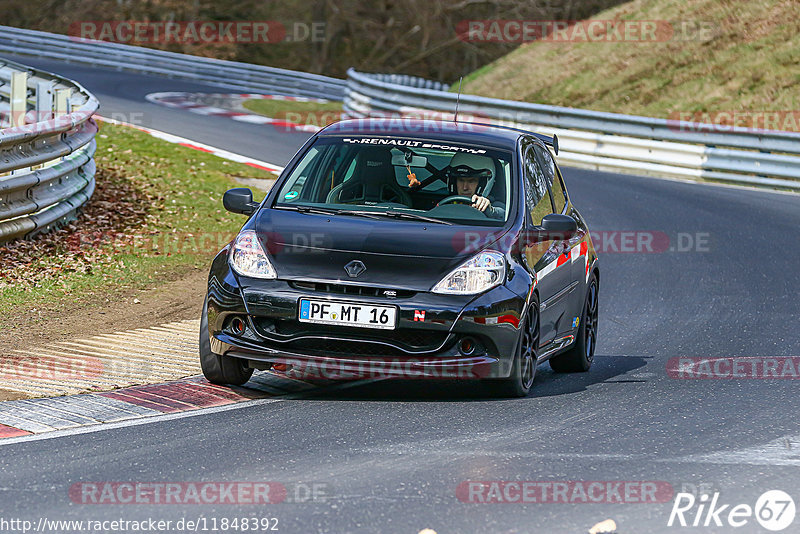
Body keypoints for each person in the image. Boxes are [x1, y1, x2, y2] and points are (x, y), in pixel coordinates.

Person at [447, 153, 505, 220]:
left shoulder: (494, 205)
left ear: (483, 183)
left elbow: (504, 215)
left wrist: (490, 210)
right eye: (461, 180)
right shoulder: (445, 202)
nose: (465, 187)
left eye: (471, 181)